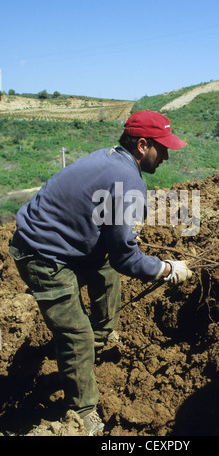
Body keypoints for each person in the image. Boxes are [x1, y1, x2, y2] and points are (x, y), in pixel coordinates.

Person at [9, 110, 193, 436]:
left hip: (64, 243)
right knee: (75, 335)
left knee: (105, 273)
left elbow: (115, 251)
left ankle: (102, 337)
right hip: (41, 254)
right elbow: (126, 258)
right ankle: (83, 414)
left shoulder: (112, 160)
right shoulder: (128, 180)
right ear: (141, 145)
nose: (166, 154)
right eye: (161, 147)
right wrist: (166, 269)